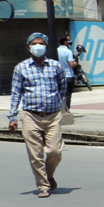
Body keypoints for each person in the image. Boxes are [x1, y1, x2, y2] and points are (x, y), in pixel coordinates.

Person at [8, 33, 67, 198]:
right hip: (30, 116)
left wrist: (55, 103)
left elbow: (63, 88)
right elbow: (15, 94)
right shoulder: (21, 68)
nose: (38, 46)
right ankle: (43, 187)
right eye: (34, 43)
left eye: (41, 43)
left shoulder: (56, 66)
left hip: (53, 116)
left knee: (55, 151)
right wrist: (12, 117)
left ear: (46, 46)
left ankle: (48, 175)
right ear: (28, 47)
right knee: (36, 154)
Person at [57, 34, 77, 111]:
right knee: (68, 94)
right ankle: (66, 110)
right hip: (68, 75)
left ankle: (59, 110)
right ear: (65, 42)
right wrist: (76, 64)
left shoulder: (56, 51)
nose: (70, 42)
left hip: (58, 75)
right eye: (68, 41)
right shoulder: (68, 51)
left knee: (59, 94)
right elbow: (71, 64)